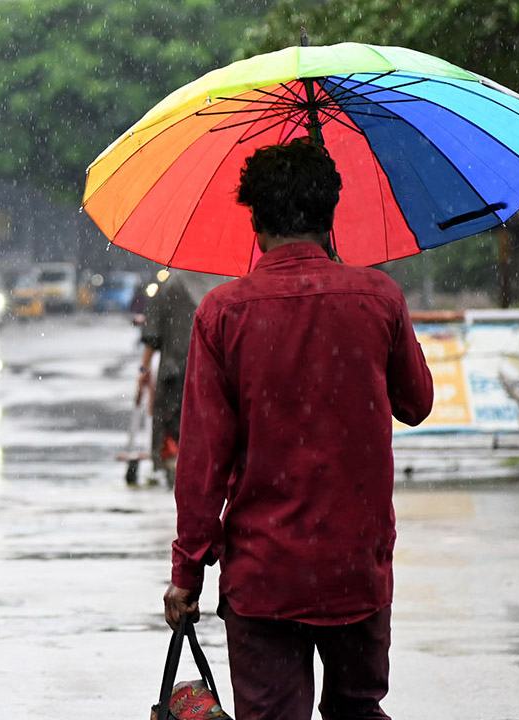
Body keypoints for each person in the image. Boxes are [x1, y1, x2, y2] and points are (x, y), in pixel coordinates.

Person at [162, 139, 434, 720]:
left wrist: (187, 570)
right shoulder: (379, 297)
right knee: (358, 710)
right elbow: (417, 403)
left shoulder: (222, 313)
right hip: (356, 567)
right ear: (330, 214)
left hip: (265, 577)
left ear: (255, 221)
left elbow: (203, 462)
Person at [138, 275, 198, 486]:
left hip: (176, 368)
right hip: (214, 373)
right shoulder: (229, 282)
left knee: (174, 421)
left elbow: (153, 333)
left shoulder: (172, 284)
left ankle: (175, 465)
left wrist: (143, 367)